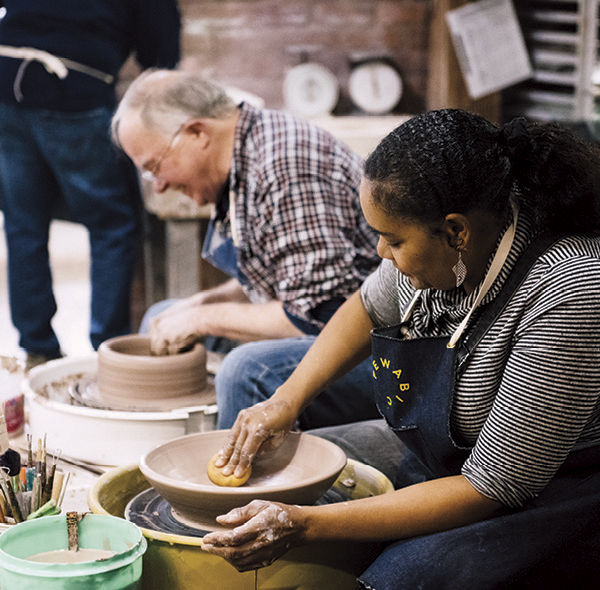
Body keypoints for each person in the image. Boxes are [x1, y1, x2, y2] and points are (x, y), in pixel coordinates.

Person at [201, 109, 600, 589]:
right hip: (444, 449)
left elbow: (493, 485)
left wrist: (304, 523)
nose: (379, 253)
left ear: (456, 232)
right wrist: (285, 401)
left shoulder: (571, 288)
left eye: (391, 240)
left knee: (399, 577)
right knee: (281, 473)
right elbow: (367, 305)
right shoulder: (444, 249)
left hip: (547, 488)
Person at [112, 69, 382, 430]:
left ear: (196, 133)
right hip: (330, 321)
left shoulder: (285, 164)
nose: (158, 186)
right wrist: (201, 304)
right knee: (164, 315)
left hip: (381, 348)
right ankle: (169, 455)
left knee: (247, 372)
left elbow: (320, 314)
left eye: (154, 168)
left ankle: (225, 480)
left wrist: (201, 319)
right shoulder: (246, 154)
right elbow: (283, 272)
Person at [0, 0, 181, 369]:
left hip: (5, 78)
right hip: (73, 85)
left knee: (23, 226)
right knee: (111, 226)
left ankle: (37, 349)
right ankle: (111, 351)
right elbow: (159, 54)